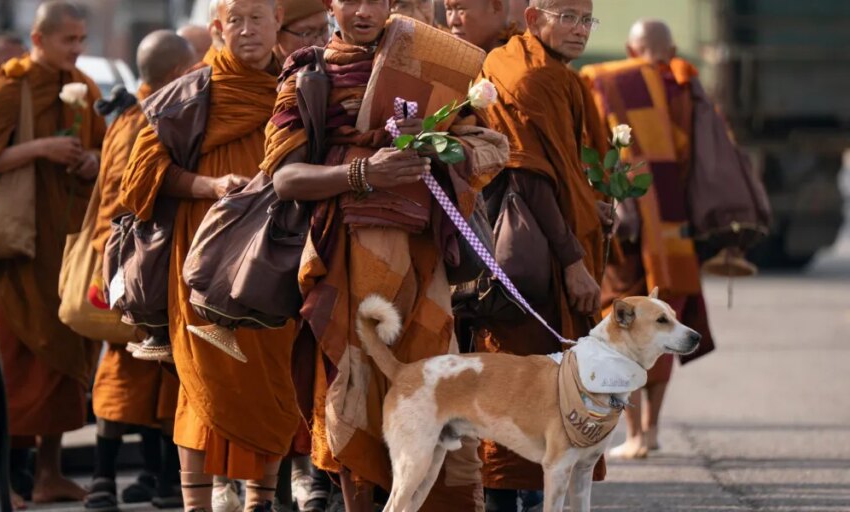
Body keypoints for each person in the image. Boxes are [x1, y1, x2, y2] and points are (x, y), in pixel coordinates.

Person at [262, 1, 510, 510]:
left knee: (431, 385)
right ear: (332, 4)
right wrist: (363, 175)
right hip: (343, 260)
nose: (363, 10)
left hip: (421, 261)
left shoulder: (428, 59)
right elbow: (284, 178)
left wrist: (439, 149)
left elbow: (486, 144)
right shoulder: (311, 73)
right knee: (354, 383)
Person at [117, 0, 299, 509]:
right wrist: (209, 184)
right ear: (217, 27)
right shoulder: (187, 96)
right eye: (234, 20)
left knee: (271, 374)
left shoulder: (296, 88)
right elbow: (139, 181)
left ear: (277, 21)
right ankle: (198, 504)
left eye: (256, 18)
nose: (246, 31)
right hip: (201, 259)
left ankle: (260, 500)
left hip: (273, 254)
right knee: (202, 381)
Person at [0, 1, 106, 505]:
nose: (77, 50)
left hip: (68, 244)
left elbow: (111, 149)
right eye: (69, 41)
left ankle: (49, 473)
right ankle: (0, 479)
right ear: (39, 40)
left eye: (82, 40)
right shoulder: (8, 85)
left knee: (66, 364)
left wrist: (90, 162)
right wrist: (39, 149)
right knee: (15, 364)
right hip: (18, 252)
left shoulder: (83, 85)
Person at [474, 0, 613, 509]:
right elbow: (529, 176)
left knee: (550, 381)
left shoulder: (558, 75)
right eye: (568, 17)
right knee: (523, 375)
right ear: (534, 18)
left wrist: (590, 204)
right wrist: (573, 260)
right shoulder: (523, 76)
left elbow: (567, 168)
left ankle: (533, 494)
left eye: (587, 19)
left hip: (558, 240)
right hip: (537, 256)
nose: (579, 30)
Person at [580, 18, 716, 461]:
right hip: (674, 227)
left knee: (623, 323)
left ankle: (633, 431)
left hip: (627, 223)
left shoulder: (610, 81)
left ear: (628, 48)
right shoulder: (685, 88)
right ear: (673, 47)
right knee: (665, 323)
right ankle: (651, 430)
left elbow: (598, 147)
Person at [83, 30, 197, 512]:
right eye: (192, 71)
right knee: (133, 369)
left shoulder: (128, 115)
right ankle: (106, 479)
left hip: (117, 257)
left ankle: (151, 478)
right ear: (175, 75)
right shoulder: (153, 120)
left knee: (142, 371)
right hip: (134, 260)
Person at [445, 0, 527, 52]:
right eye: (449, 9)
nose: (453, 21)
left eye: (461, 9)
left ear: (495, 7)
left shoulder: (520, 61)